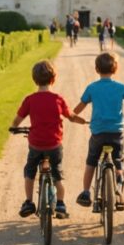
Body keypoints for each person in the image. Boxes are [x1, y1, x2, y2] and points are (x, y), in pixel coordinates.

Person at [9, 60, 87, 220]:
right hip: (54, 145)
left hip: (36, 144)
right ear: (54, 78)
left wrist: (14, 127)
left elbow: (17, 120)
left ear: (34, 79)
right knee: (57, 173)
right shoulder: (58, 99)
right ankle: (60, 204)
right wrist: (82, 121)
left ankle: (29, 202)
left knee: (30, 170)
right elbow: (71, 116)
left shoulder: (30, 100)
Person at [73, 52, 124, 211]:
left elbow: (78, 108)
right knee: (118, 160)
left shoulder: (92, 88)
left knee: (91, 161)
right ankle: (118, 185)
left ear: (96, 69)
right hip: (116, 133)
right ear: (115, 69)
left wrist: (72, 115)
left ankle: (85, 192)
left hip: (98, 132)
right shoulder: (121, 87)